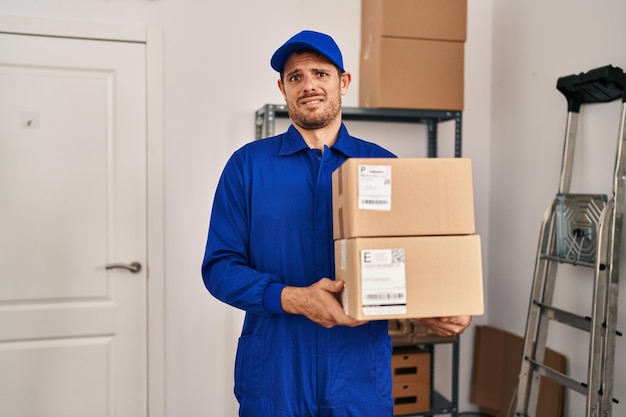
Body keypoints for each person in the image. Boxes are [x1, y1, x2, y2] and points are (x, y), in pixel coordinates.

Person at [202, 30, 471, 417]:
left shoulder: (382, 165)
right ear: (283, 88)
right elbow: (219, 268)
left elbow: (407, 259)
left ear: (343, 82)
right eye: (296, 77)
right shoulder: (248, 166)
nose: (308, 85)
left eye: (321, 73)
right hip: (276, 375)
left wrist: (435, 306)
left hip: (358, 374)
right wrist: (294, 298)